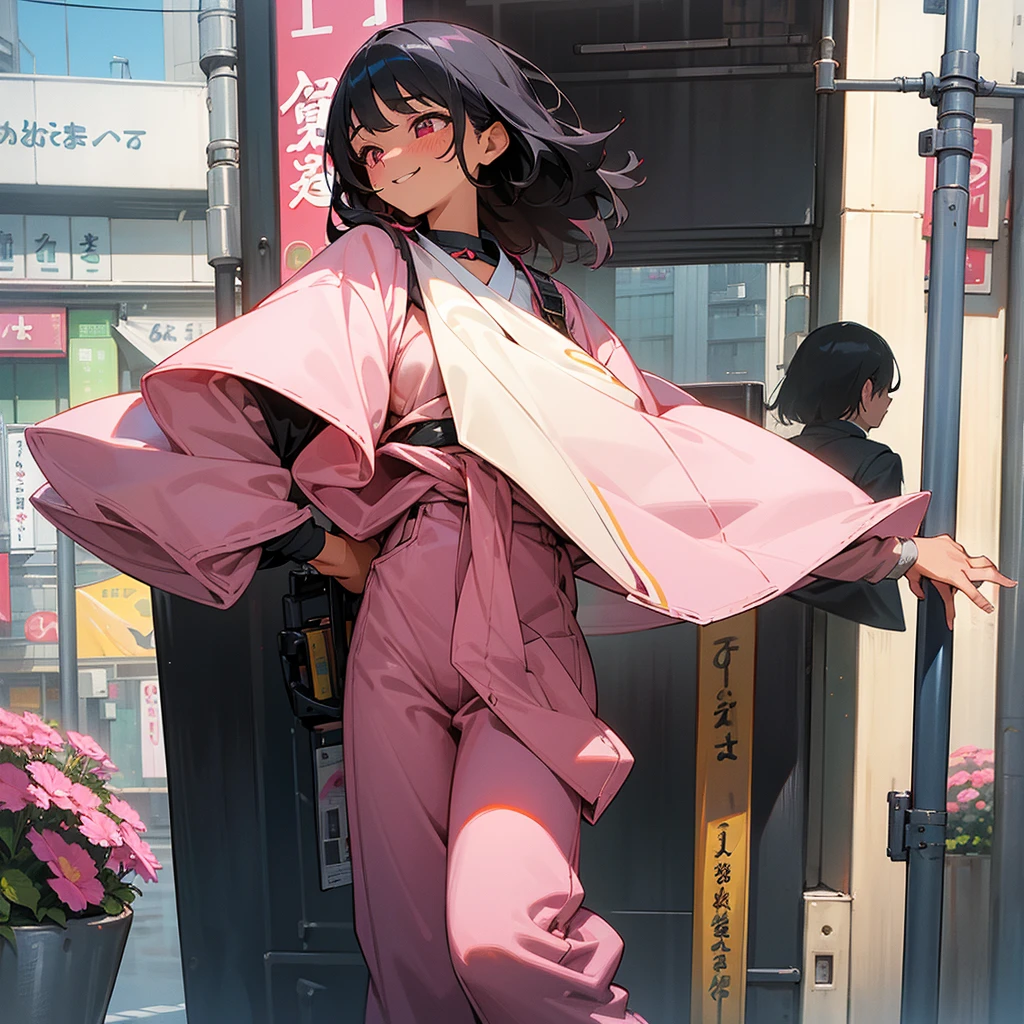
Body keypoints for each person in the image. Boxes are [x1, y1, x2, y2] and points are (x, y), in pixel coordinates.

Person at [23, 22, 1012, 1024]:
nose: (386, 154)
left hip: (529, 632)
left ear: (486, 139)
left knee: (500, 939)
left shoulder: (548, 309)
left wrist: (886, 547)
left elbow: (680, 458)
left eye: (413, 124)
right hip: (401, 615)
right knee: (408, 972)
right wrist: (316, 543)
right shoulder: (372, 265)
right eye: (367, 142)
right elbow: (222, 405)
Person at [769, 321, 908, 629]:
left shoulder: (778, 454)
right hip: (853, 614)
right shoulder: (878, 462)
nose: (888, 402)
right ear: (867, 389)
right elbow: (877, 551)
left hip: (779, 608)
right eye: (885, 391)